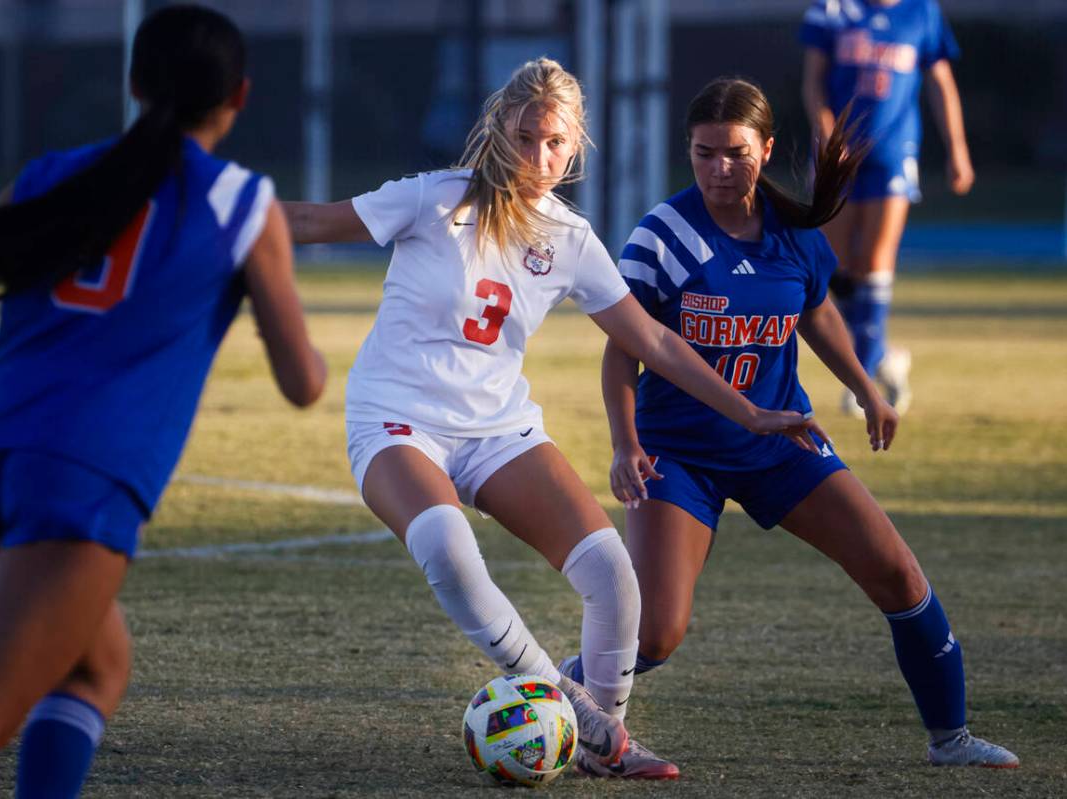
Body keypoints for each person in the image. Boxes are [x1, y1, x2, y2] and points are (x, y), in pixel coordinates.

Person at [284, 58, 824, 780]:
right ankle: (584, 719)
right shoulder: (433, 199)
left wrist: (749, 410)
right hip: (397, 421)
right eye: (528, 135)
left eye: (556, 142)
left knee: (613, 575)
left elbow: (655, 340)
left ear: (576, 146)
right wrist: (209, 212)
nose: (541, 157)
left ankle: (602, 741)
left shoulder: (569, 236)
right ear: (500, 131)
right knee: (446, 544)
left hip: (499, 430)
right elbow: (313, 220)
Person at [588, 75, 1017, 771]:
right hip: (681, 456)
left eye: (734, 152)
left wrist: (867, 388)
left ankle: (952, 738)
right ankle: (555, 697)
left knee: (899, 576)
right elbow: (623, 351)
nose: (719, 169)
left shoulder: (794, 234)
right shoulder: (661, 236)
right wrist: (625, 443)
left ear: (766, 148)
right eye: (703, 154)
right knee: (657, 633)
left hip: (781, 442)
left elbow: (816, 311)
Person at [0, 7, 326, 797]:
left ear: (133, 83)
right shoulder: (241, 202)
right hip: (83, 478)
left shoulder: (53, 175)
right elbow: (304, 384)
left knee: (96, 664)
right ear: (241, 96)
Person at [800, 0, 975, 414]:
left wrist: (957, 150)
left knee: (875, 260)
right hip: (839, 152)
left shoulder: (921, 12)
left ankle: (862, 375)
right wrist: (827, 133)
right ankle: (883, 355)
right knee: (835, 267)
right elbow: (813, 82)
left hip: (893, 153)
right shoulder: (831, 8)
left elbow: (940, 82)